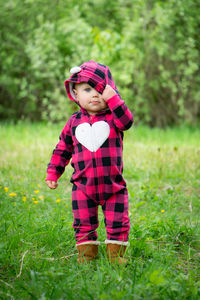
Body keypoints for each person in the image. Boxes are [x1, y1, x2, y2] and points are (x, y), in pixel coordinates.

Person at [46, 60, 133, 263]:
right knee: (83, 222)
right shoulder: (74, 122)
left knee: (119, 221)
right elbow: (62, 149)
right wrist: (53, 172)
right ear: (75, 94)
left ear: (110, 92)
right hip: (83, 186)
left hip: (114, 186)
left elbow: (127, 122)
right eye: (87, 89)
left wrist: (115, 101)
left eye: (100, 89)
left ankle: (116, 257)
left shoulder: (114, 118)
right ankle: (86, 256)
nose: (94, 94)